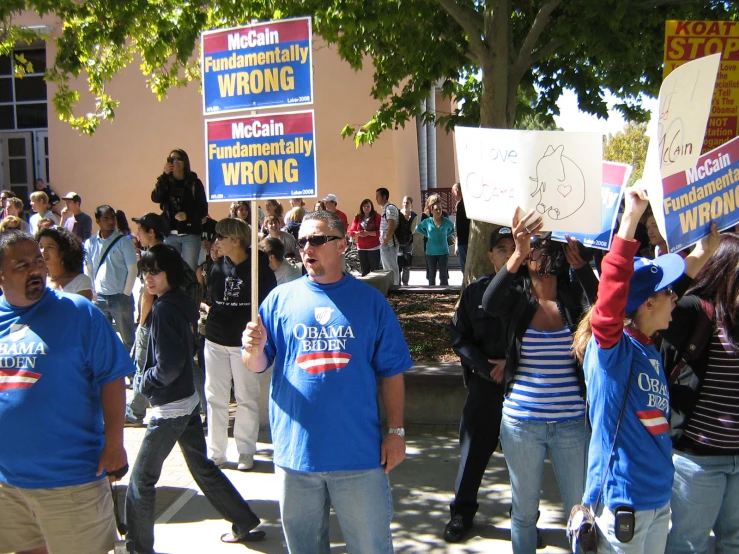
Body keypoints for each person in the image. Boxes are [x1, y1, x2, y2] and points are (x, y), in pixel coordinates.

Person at [242, 210, 412, 554]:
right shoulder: (279, 300)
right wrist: (253, 349)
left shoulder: (371, 303)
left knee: (372, 548)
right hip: (296, 456)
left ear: (342, 245)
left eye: (318, 239)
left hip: (359, 455)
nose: (307, 247)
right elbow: (257, 365)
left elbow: (392, 372)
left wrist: (396, 433)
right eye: (302, 240)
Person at [572, 187, 718, 554]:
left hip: (656, 501)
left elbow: (668, 287)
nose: (677, 298)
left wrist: (703, 253)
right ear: (649, 303)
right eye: (668, 294)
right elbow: (609, 302)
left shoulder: (648, 341)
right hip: (624, 503)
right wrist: (630, 219)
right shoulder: (614, 351)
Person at [125, 244, 265, 553]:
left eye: (155, 271)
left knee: (141, 483)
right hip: (186, 401)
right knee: (202, 467)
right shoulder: (177, 302)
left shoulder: (163, 308)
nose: (148, 278)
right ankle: (244, 520)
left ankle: (137, 548)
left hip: (171, 407)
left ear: (169, 274)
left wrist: (143, 381)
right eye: (145, 271)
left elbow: (169, 365)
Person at [0, 230, 133, 554]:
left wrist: (115, 444)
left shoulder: (80, 313)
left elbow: (112, 378)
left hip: (72, 482)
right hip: (8, 486)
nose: (36, 269)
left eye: (39, 260)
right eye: (22, 265)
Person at [481, 211, 599, 554]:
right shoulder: (517, 300)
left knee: (581, 513)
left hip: (572, 424)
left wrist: (581, 268)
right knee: (523, 512)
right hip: (522, 423)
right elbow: (489, 303)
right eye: (534, 249)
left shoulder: (572, 299)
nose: (539, 254)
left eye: (545, 248)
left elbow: (605, 310)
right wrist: (516, 252)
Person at [660, 235, 739, 554]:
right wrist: (696, 257)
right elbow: (659, 302)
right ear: (725, 270)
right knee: (689, 546)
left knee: (733, 544)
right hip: (698, 459)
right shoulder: (696, 310)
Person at [443, 227, 515, 543]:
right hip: (485, 387)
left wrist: (512, 367)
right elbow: (459, 337)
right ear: (490, 256)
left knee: (523, 461)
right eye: (501, 248)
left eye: (514, 247)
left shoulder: (532, 291)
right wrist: (486, 368)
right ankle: (461, 514)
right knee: (472, 453)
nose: (508, 252)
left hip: (523, 387)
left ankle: (525, 519)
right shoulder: (475, 293)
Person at [205, 218, 276, 470]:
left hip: (244, 345)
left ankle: (245, 450)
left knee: (246, 397)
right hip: (215, 340)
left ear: (236, 240)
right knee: (215, 397)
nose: (216, 242)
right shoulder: (216, 267)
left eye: (220, 237)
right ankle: (216, 453)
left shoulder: (259, 268)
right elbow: (212, 298)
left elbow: (268, 305)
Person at [84, 205, 138, 353]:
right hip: (99, 298)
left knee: (128, 339)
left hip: (120, 298)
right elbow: (89, 268)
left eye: (112, 218)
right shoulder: (91, 243)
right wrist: (93, 292)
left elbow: (133, 269)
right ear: (98, 221)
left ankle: (132, 373)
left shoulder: (124, 242)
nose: (110, 221)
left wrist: (125, 293)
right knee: (101, 339)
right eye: (105, 218)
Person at [151, 148, 208, 270]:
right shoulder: (165, 181)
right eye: (172, 159)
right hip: (170, 234)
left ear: (185, 162)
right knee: (171, 270)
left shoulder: (194, 183)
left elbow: (203, 209)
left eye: (179, 159)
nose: (175, 162)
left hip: (190, 234)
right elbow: (156, 198)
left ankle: (189, 290)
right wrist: (164, 177)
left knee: (189, 270)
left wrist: (187, 215)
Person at [37, 227, 93, 299]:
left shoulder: (81, 281)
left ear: (64, 252)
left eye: (50, 247)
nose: (43, 251)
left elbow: (82, 309)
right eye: (40, 246)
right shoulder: (37, 280)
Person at [415, 200, 455, 286]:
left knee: (443, 275)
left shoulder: (446, 221)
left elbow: (454, 228)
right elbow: (418, 228)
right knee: (431, 275)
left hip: (443, 252)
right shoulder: (428, 221)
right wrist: (427, 235)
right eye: (436, 209)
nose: (438, 211)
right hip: (430, 252)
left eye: (440, 209)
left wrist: (447, 234)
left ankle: (445, 293)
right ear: (432, 211)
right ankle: (431, 293)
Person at [347, 198, 382, 276]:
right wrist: (358, 233)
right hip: (361, 248)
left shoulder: (377, 217)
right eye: (364, 206)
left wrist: (368, 233)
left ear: (371, 207)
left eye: (368, 206)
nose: (366, 208)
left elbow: (381, 232)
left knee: (375, 271)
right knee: (364, 271)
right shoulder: (357, 217)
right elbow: (351, 231)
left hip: (374, 247)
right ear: (362, 207)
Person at [376, 187, 400, 287]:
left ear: (384, 197)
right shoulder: (385, 208)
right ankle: (390, 286)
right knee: (387, 267)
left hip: (389, 244)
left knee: (391, 267)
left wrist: (386, 239)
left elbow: (391, 226)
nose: (376, 198)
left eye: (378, 196)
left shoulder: (390, 208)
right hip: (386, 243)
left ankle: (394, 287)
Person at [399, 196, 417, 286]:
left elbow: (412, 230)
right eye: (404, 202)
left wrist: (406, 219)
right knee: (398, 263)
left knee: (406, 264)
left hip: (408, 242)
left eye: (407, 203)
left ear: (411, 205)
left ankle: (405, 283)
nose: (405, 204)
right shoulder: (398, 213)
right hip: (398, 242)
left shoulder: (414, 216)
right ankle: (397, 283)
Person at [452, 183, 470, 274]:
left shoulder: (463, 204)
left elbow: (460, 224)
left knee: (465, 267)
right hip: (464, 239)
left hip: (465, 239)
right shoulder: (461, 204)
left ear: (457, 191)